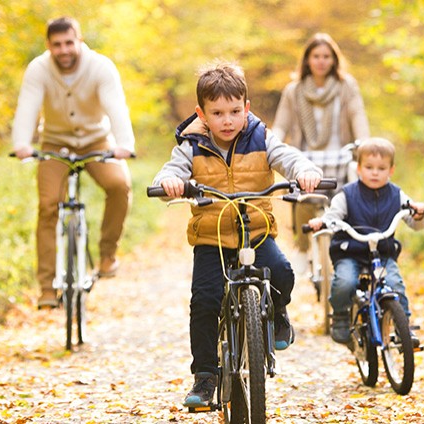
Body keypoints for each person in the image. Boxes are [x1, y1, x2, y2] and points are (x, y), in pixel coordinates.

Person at [153, 62, 322, 408]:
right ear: (202, 114)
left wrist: (303, 170)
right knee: (204, 300)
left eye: (234, 111)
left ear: (246, 108)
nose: (227, 120)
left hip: (255, 233)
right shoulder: (191, 144)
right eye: (217, 113)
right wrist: (169, 183)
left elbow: (285, 156)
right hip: (211, 238)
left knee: (283, 272)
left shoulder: (261, 137)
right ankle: (205, 376)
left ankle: (276, 314)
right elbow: (172, 170)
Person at [11, 16, 136, 309]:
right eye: (57, 45)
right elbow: (27, 107)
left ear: (79, 40)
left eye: (69, 42)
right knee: (47, 205)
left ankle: (107, 254)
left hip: (97, 141)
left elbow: (116, 106)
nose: (64, 50)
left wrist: (124, 145)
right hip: (55, 144)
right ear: (48, 46)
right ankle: (46, 287)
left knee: (119, 185)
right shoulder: (38, 69)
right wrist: (22, 144)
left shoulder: (100, 67)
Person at [307, 138, 424, 347]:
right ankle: (340, 316)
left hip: (382, 254)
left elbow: (413, 218)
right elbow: (333, 215)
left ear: (391, 170)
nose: (375, 173)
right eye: (369, 167)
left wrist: (418, 214)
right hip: (350, 252)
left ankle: (404, 326)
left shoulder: (396, 195)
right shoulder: (347, 195)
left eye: (381, 168)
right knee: (344, 282)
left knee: (396, 284)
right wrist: (323, 222)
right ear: (358, 169)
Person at [272, 33, 370, 273]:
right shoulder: (293, 91)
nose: (321, 61)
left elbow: (358, 117)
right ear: (307, 60)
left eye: (326, 56)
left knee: (350, 198)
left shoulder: (346, 86)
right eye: (316, 56)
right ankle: (303, 248)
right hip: (306, 158)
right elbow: (281, 125)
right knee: (303, 195)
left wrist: (364, 144)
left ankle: (353, 245)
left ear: (334, 60)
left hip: (340, 155)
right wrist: (270, 143)